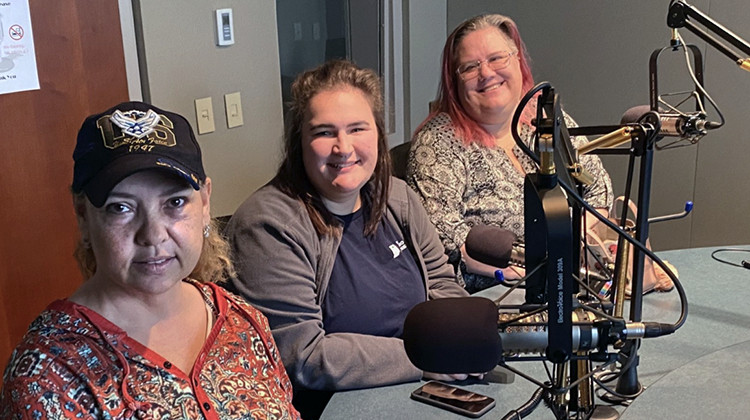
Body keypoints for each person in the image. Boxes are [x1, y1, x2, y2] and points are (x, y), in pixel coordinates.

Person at [0, 102, 299, 419]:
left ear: (205, 203)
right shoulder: (49, 374)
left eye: (175, 202)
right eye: (121, 208)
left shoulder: (243, 321)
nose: (153, 235)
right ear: (84, 216)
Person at [225, 60, 475, 418]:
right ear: (300, 142)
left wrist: (463, 341)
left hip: (422, 389)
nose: (343, 147)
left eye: (358, 128)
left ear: (378, 134)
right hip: (335, 405)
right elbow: (305, 356)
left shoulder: (398, 198)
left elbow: (440, 284)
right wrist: (424, 357)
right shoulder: (266, 225)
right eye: (324, 132)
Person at [407, 14, 614, 293]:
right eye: (470, 67)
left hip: (578, 278)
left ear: (518, 61)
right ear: (455, 83)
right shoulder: (438, 141)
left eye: (497, 58)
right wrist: (537, 274)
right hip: (499, 294)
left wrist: (580, 249)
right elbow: (445, 239)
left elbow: (596, 186)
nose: (486, 73)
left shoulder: (544, 115)